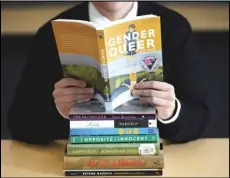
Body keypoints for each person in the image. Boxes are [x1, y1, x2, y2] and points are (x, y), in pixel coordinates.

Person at [8, 2, 209, 145]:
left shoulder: (174, 27)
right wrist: (60, 111)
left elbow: (200, 118)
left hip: (150, 153)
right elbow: (19, 124)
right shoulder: (52, 33)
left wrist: (171, 110)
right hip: (79, 158)